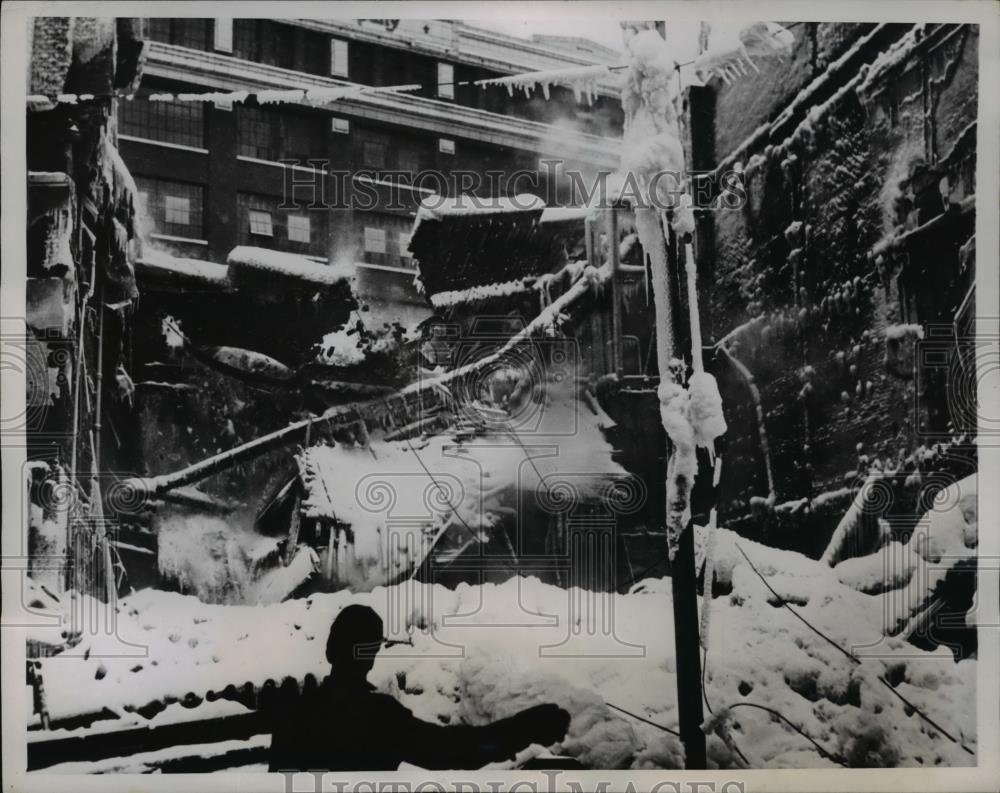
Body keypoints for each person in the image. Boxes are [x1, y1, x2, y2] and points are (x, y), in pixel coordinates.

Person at [268, 604, 571, 771]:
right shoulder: (379, 717)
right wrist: (524, 728)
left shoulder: (295, 711)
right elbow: (453, 751)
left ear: (330, 650)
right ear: (370, 656)